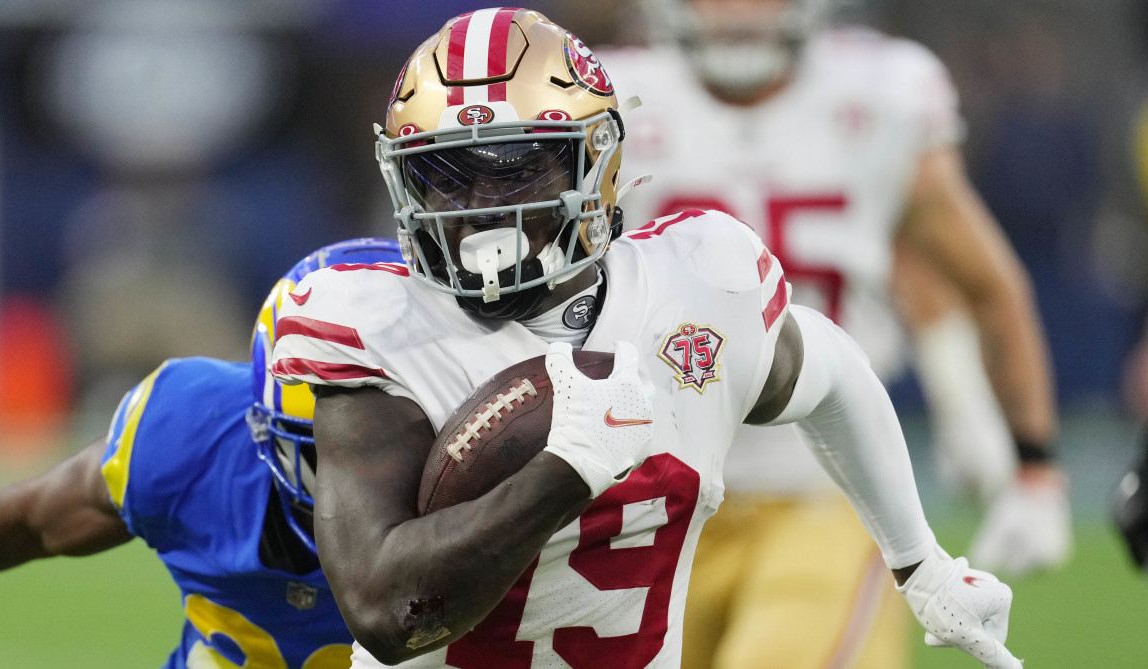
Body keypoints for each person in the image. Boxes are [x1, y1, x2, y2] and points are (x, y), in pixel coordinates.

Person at [269, 8, 1020, 668]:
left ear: (593, 164)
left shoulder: (696, 287)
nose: (476, 209)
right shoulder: (378, 325)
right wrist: (567, 468)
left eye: (513, 170)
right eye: (444, 176)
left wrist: (919, 560)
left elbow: (833, 373)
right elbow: (382, 608)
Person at [595, 1, 1069, 666]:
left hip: (823, 490)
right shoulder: (604, 98)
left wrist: (1035, 467)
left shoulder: (879, 93)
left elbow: (985, 282)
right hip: (647, 504)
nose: (739, 10)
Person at [0, 238, 404, 667]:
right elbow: (32, 522)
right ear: (262, 421)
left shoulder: (473, 474)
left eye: (386, 447)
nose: (349, 478)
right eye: (319, 456)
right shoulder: (192, 433)